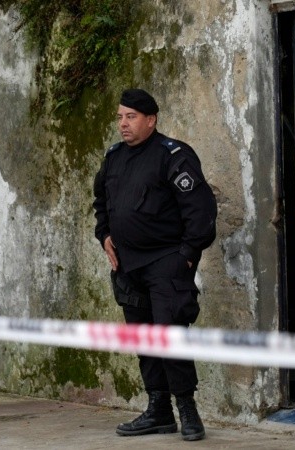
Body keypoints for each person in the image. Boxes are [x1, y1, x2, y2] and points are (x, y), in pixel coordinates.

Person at [93, 89, 217, 441]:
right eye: (119, 117)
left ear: (151, 119)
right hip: (128, 266)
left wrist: (186, 256)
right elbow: (100, 200)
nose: (123, 124)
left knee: (170, 335)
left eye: (130, 117)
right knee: (145, 340)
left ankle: (188, 411)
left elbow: (202, 211)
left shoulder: (172, 155)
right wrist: (104, 236)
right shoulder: (114, 158)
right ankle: (159, 411)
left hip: (166, 262)